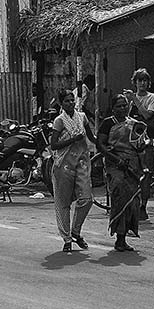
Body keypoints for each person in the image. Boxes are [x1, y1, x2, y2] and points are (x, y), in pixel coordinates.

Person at [50, 90, 94, 252]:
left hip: (81, 163)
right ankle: (67, 238)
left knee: (87, 199)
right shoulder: (59, 121)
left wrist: (106, 148)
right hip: (64, 165)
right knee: (63, 203)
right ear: (61, 103)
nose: (70, 103)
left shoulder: (82, 117)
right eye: (67, 101)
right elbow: (54, 145)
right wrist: (72, 139)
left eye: (72, 100)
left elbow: (92, 138)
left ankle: (76, 231)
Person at [98, 93, 143, 252]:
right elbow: (100, 145)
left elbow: (140, 145)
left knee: (132, 202)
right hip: (115, 166)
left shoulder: (134, 123)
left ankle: (124, 238)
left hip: (132, 166)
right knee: (119, 199)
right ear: (113, 108)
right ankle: (119, 238)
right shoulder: (108, 123)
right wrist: (116, 160)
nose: (123, 108)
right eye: (119, 106)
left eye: (125, 105)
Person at [126, 68, 154, 220]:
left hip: (146, 142)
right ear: (135, 82)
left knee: (146, 175)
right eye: (139, 80)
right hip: (131, 142)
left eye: (145, 80)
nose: (142, 83)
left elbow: (147, 115)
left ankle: (143, 206)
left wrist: (135, 99)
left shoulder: (153, 98)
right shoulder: (129, 99)